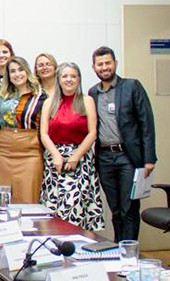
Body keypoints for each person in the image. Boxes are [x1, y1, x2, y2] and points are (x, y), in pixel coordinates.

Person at [88, 46, 157, 241]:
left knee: (129, 209)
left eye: (107, 63)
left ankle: (129, 252)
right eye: (100, 64)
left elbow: (146, 123)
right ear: (94, 67)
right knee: (116, 210)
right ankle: (118, 250)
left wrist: (149, 158)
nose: (104, 67)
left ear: (115, 63)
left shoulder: (131, 86)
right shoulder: (93, 93)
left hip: (128, 156)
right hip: (104, 158)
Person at [39, 62, 103, 230]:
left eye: (73, 76)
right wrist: (56, 156)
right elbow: (44, 134)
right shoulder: (49, 102)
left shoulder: (87, 101)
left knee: (75, 204)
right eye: (65, 76)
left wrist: (75, 157)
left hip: (80, 158)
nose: (69, 79)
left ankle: (76, 241)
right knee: (54, 207)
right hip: (55, 159)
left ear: (79, 79)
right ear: (58, 79)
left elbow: (92, 133)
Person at [0, 57, 46, 203]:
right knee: (4, 199)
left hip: (29, 152)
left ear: (27, 72)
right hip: (3, 151)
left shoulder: (41, 96)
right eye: (12, 71)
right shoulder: (1, 96)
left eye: (20, 70)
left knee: (28, 196)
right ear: (8, 75)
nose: (17, 74)